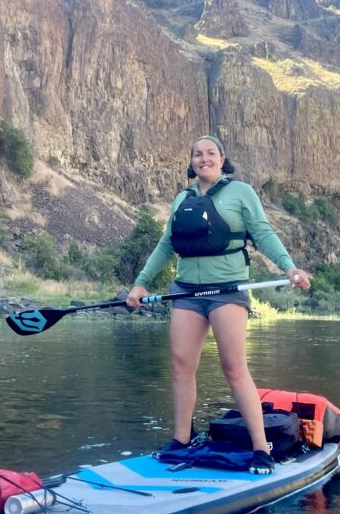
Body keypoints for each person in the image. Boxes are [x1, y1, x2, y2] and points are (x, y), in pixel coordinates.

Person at [126, 135, 311, 474]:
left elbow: (263, 234)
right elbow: (166, 244)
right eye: (197, 154)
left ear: (223, 159)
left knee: (233, 367)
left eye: (210, 153)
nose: (203, 158)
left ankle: (260, 448)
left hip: (226, 290)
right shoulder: (182, 198)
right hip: (185, 292)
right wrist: (140, 283)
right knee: (181, 365)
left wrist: (289, 266)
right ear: (191, 161)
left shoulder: (242, 193)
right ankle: (182, 440)